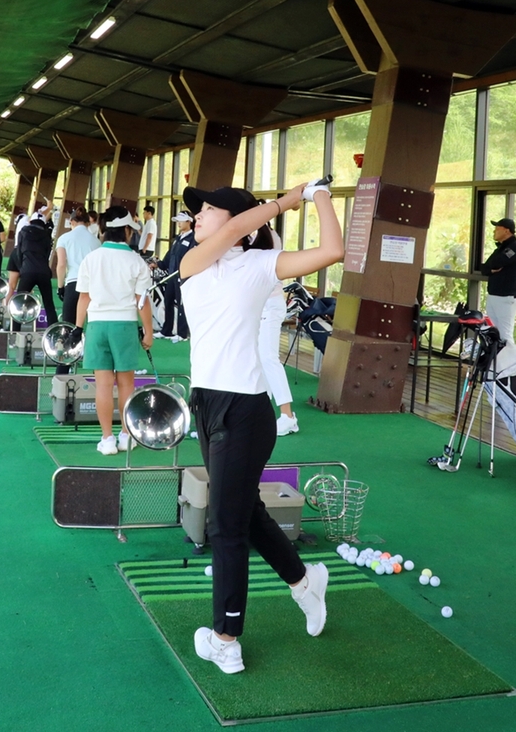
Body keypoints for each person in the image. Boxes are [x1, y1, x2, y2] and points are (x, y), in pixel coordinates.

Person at [178, 181, 342, 674]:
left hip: (245, 413)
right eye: (199, 209)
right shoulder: (191, 262)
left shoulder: (257, 266)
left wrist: (315, 197)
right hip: (207, 404)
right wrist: (279, 202)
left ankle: (226, 637)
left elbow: (332, 250)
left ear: (234, 221)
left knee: (225, 527)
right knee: (243, 513)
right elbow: (235, 230)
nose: (198, 215)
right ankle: (303, 580)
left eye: (209, 209)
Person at [73, 206, 153, 455]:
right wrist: (148, 332)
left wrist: (78, 327)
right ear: (127, 230)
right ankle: (126, 436)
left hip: (96, 325)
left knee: (103, 385)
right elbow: (142, 301)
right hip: (125, 325)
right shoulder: (136, 260)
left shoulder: (92, 258)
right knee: (126, 383)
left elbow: (84, 298)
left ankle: (107, 439)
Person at [259, 225, 297, 435]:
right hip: (260, 305)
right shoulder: (258, 234)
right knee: (257, 359)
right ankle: (261, 412)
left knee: (268, 358)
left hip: (270, 304)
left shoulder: (266, 236)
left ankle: (288, 416)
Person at [54, 207, 101, 375]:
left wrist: (60, 286)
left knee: (68, 326)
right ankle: (95, 367)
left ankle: (63, 370)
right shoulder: (96, 242)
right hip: (93, 286)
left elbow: (61, 265)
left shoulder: (64, 238)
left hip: (73, 283)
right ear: (88, 223)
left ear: (72, 222)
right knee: (93, 326)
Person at [7, 203, 58, 329]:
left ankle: (14, 329)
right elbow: (47, 254)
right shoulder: (46, 235)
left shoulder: (23, 232)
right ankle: (53, 330)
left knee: (20, 301)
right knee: (48, 303)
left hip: (28, 271)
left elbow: (19, 252)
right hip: (43, 272)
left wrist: (22, 268)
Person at [479, 217, 516, 346]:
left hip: (506, 297)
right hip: (493, 295)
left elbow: (497, 262)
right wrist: (491, 269)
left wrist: (493, 267)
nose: (494, 232)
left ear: (507, 231)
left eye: (497, 229)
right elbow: (485, 268)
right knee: (495, 333)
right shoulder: (499, 249)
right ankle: (497, 362)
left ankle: (511, 364)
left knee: (505, 335)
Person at [154, 210, 195, 342]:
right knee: (168, 302)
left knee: (182, 304)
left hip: (182, 276)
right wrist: (159, 264)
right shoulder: (178, 238)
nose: (178, 223)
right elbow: (169, 255)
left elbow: (191, 258)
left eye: (181, 220)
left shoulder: (193, 238)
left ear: (189, 221)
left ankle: (182, 333)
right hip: (171, 276)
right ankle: (167, 330)